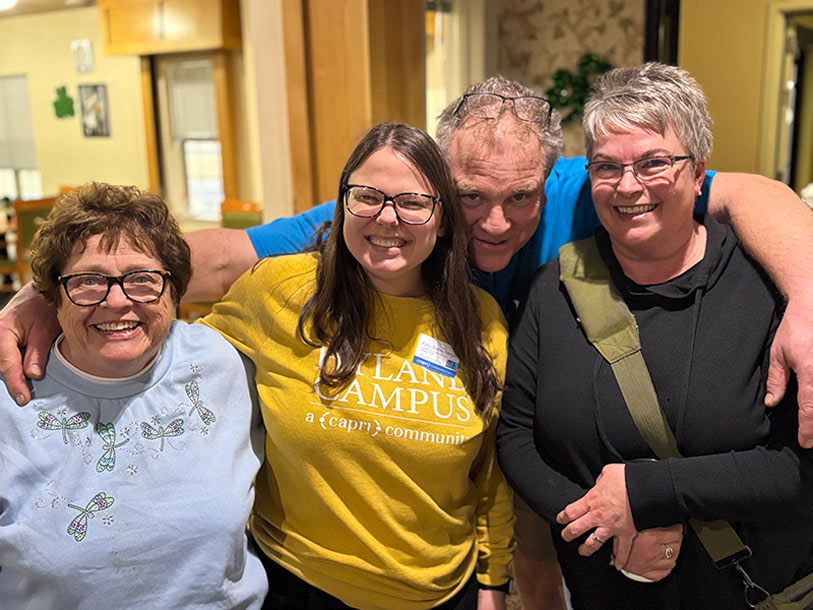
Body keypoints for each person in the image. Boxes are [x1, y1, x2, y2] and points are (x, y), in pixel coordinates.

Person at [3, 76, 813, 607]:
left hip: (543, 471)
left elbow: (749, 192)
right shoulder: (381, 219)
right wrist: (61, 287)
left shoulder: (593, 187)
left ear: (550, 176)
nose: (493, 221)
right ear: (434, 176)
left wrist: (809, 296)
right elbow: (221, 258)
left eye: (519, 197)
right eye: (468, 196)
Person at [496, 63, 813, 609]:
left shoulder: (771, 285)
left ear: (699, 173)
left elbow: (799, 467)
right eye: (607, 166)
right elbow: (516, 439)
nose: (628, 186)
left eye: (653, 163)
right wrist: (601, 523)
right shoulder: (558, 285)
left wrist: (644, 495)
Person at [202, 122, 513, 610]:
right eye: (367, 197)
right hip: (296, 584)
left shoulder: (479, 319)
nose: (387, 218)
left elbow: (490, 470)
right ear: (343, 203)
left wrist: (494, 580)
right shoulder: (278, 290)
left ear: (443, 220)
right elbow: (175, 359)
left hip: (439, 592)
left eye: (412, 202)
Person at [0, 183, 267, 608]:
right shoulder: (10, 399)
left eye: (142, 279)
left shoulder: (223, 363)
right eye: (88, 281)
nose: (117, 301)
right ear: (52, 296)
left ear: (174, 290)